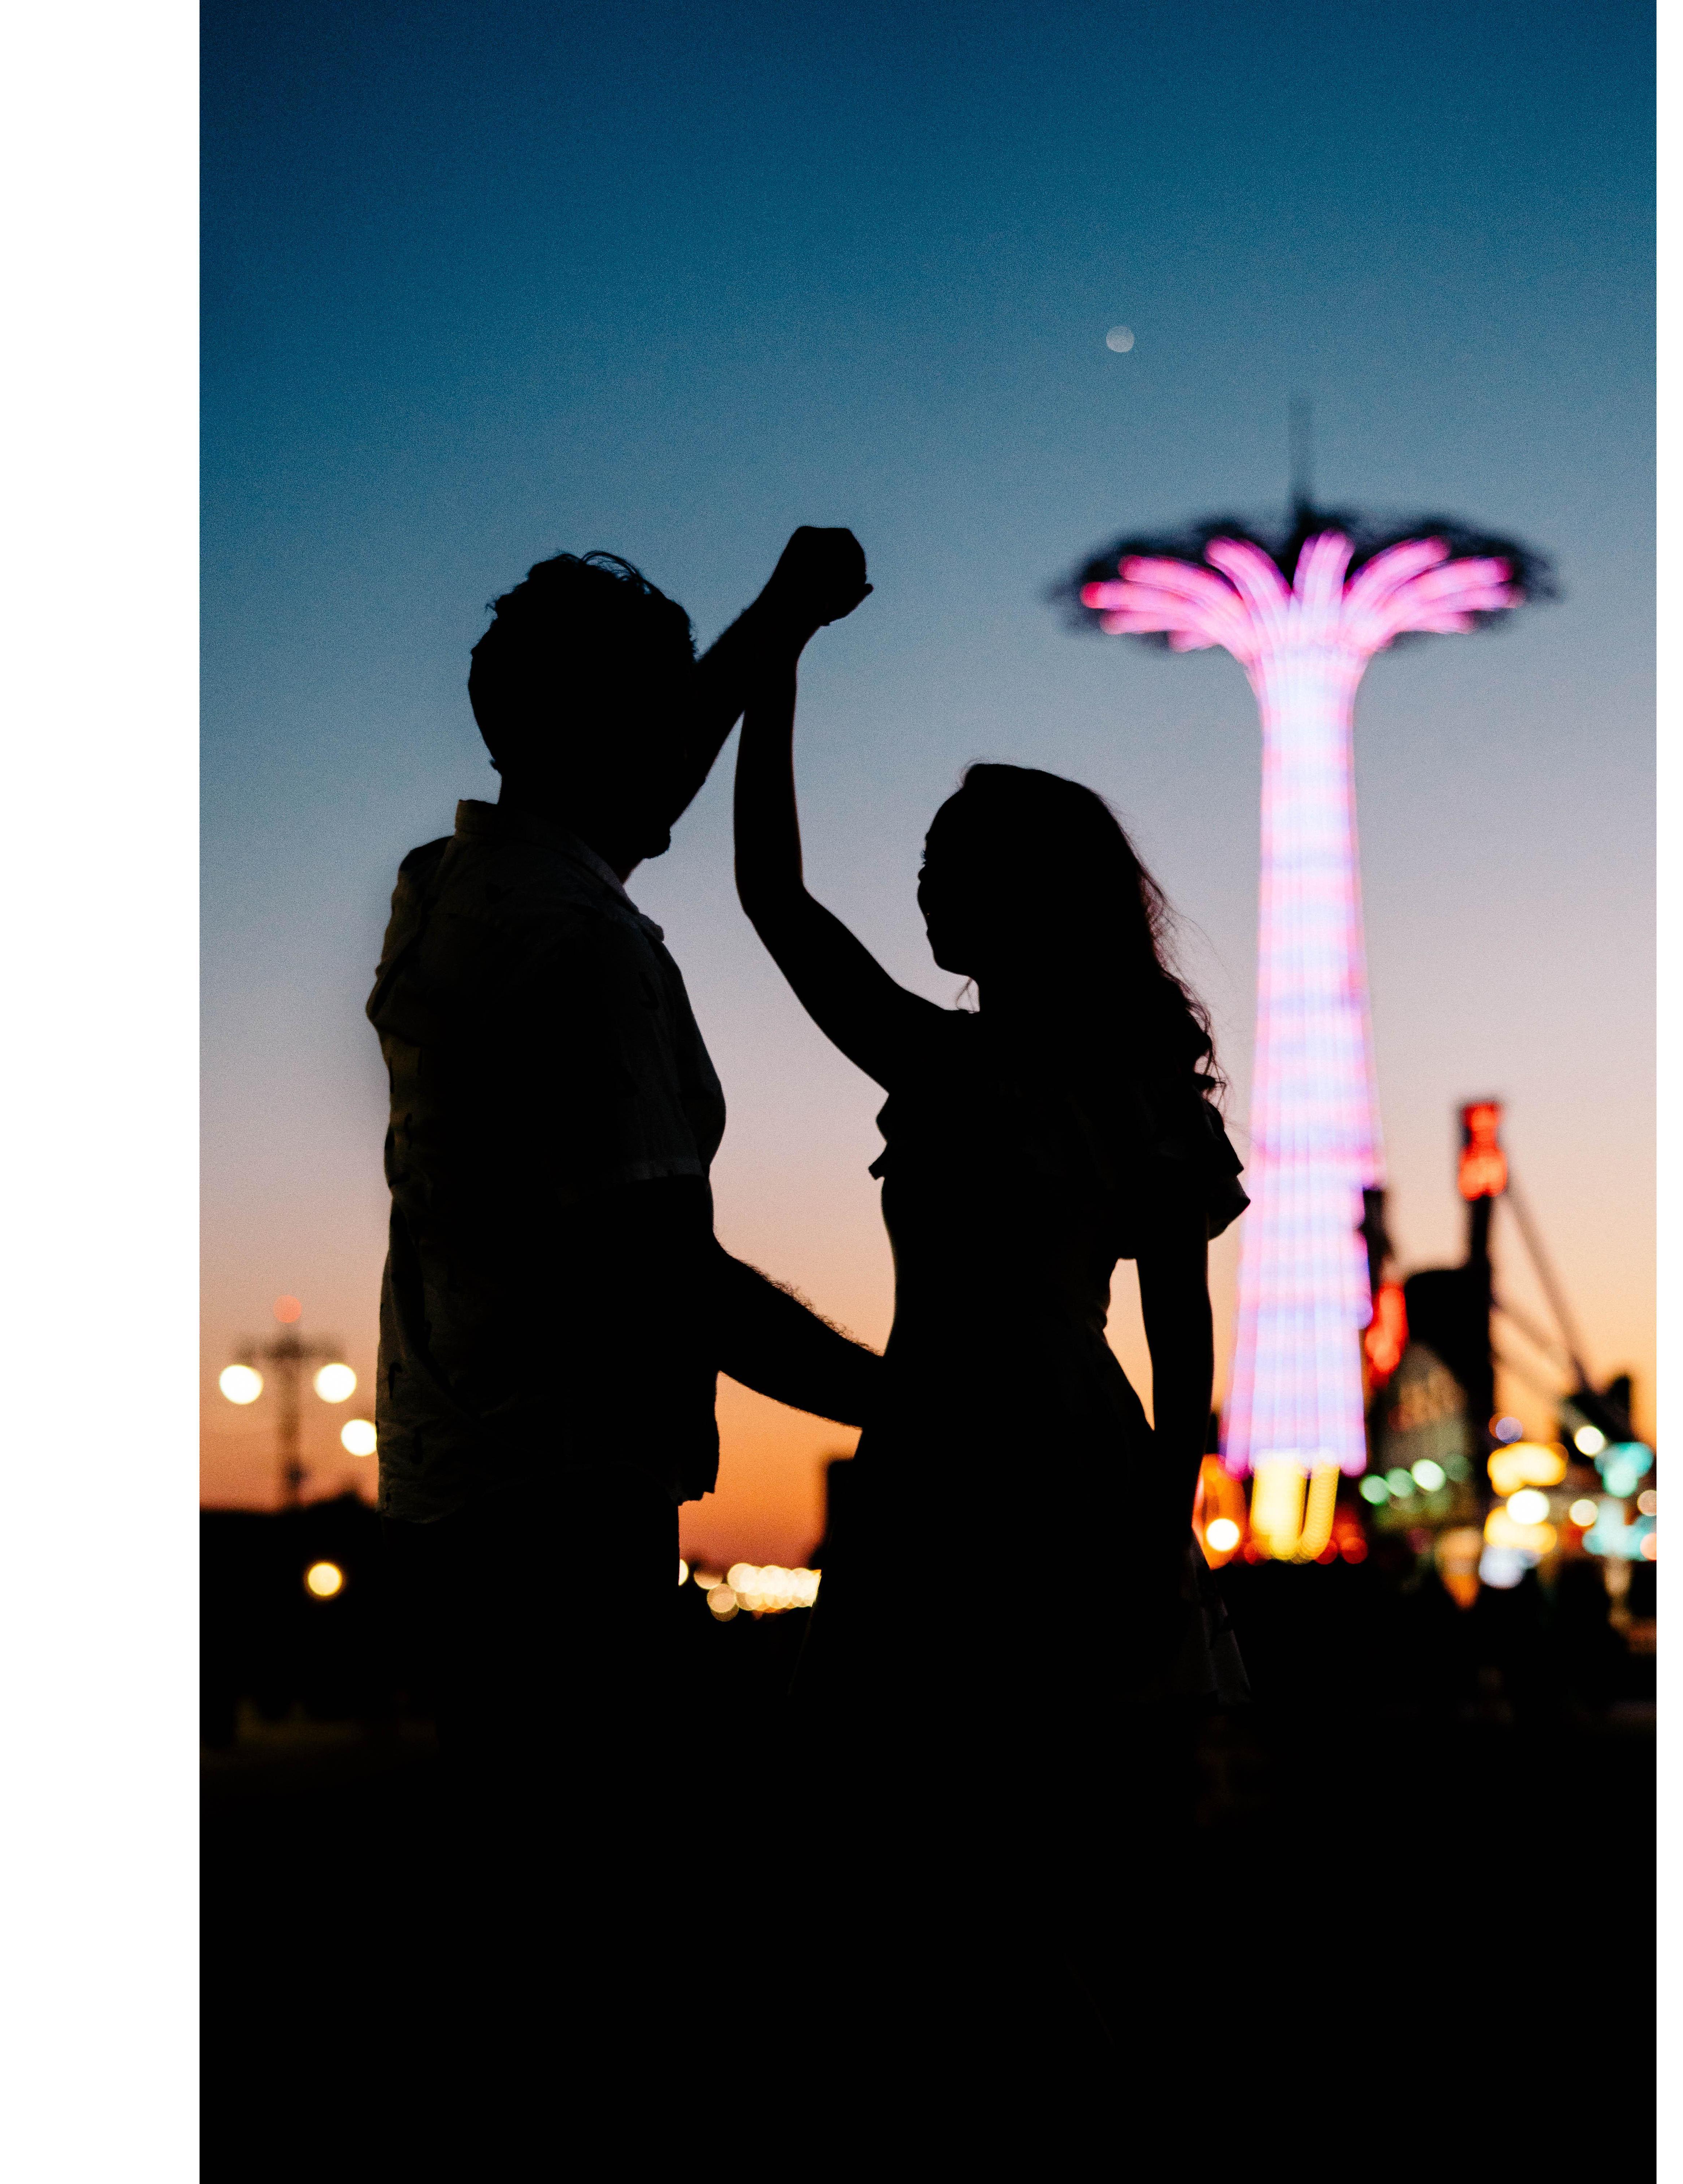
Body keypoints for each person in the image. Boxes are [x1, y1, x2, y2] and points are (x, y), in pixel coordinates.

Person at [731, 632, 1249, 2077]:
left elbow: (1187, 1339)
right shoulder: (1066, 1085)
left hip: (990, 1460)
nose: (921, 888)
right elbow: (774, 899)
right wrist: (775, 660)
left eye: (946, 865)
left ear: (1026, 896)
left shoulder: (984, 1073)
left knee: (952, 1845)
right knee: (976, 1849)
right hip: (1010, 1453)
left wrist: (777, 658)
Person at [365, 530, 880, 1956]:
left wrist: (773, 629)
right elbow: (668, 1272)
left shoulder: (451, 883)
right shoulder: (584, 948)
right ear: (606, 732)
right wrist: (904, 1397)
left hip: (468, 1484)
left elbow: (634, 776)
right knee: (615, 1914)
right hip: (566, 1508)